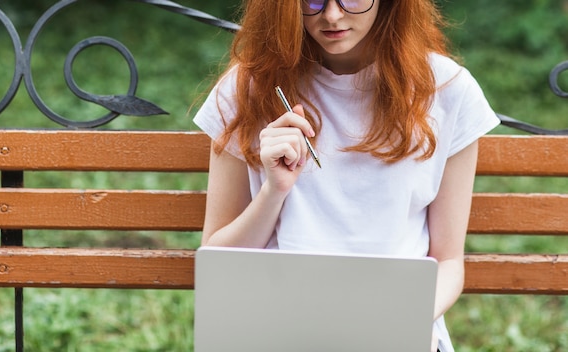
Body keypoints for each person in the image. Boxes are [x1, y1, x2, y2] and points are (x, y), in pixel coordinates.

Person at [193, 0, 500, 350]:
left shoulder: (446, 90)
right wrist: (274, 191)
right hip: (278, 330)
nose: (332, 15)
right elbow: (219, 262)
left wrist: (405, 321)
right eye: (312, 0)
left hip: (396, 327)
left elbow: (448, 261)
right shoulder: (246, 89)